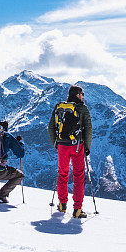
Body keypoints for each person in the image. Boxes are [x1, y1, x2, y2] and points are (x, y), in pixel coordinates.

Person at [48, 84, 92, 218]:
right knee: (78, 176)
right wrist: (87, 148)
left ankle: (62, 205)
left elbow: (51, 127)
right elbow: (88, 130)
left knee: (62, 174)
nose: (83, 97)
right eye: (82, 94)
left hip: (62, 145)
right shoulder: (82, 109)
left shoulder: (59, 107)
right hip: (77, 146)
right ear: (78, 95)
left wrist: (56, 143)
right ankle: (77, 209)